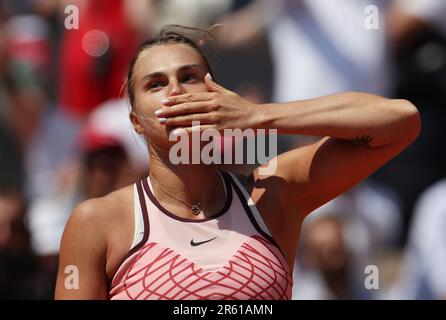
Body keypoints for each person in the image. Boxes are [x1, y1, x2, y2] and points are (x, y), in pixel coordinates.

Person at [55, 25, 420, 300]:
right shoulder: (97, 222)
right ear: (136, 121)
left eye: (189, 77)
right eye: (155, 84)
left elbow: (400, 120)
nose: (177, 92)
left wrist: (258, 115)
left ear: (217, 95)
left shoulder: (272, 194)